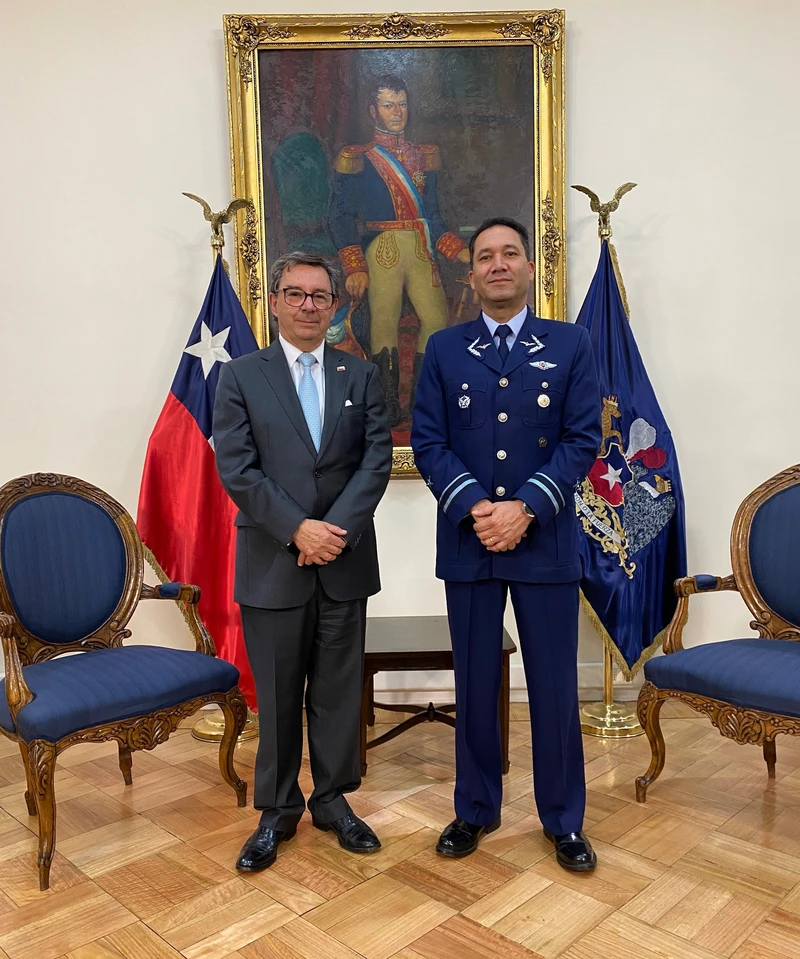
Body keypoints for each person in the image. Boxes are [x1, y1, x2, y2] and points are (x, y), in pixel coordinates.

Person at [410, 217, 602, 870]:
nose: (498, 264)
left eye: (510, 253)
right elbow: (428, 441)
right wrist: (477, 508)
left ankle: (563, 820)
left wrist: (526, 508)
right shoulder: (444, 348)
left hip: (544, 541)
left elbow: (581, 438)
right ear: (470, 275)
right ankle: (474, 809)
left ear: (528, 268)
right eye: (486, 256)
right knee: (475, 683)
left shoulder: (571, 343)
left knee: (553, 687)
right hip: (470, 543)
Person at [213, 251, 393, 872]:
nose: (308, 305)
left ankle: (334, 801)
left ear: (335, 305)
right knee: (279, 692)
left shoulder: (360, 375)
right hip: (273, 562)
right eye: (295, 294)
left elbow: (375, 460)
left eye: (320, 296)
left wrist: (331, 532)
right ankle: (277, 809)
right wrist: (297, 530)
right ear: (275, 302)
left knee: (338, 692)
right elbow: (237, 468)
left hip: (344, 559)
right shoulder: (240, 376)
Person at [330, 74, 471, 426]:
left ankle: (424, 400)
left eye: (402, 104)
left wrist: (459, 251)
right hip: (383, 247)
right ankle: (388, 404)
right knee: (384, 323)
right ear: (373, 110)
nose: (397, 112)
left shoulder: (425, 155)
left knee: (436, 321)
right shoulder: (357, 158)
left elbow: (433, 215)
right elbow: (340, 217)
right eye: (389, 105)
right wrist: (354, 266)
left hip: (421, 246)